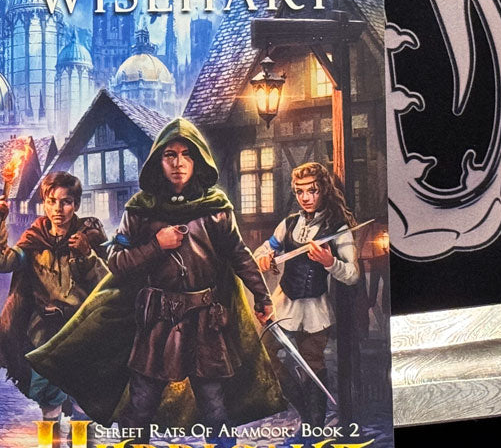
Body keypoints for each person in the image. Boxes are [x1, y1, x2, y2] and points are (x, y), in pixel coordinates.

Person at [28, 119, 285, 428]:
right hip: (157, 321)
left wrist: (262, 296)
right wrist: (156, 246)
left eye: (186, 154)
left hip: (204, 320)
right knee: (140, 406)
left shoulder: (215, 207)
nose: (178, 163)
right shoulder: (141, 209)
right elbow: (117, 262)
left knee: (214, 407)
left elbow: (239, 254)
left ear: (197, 159)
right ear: (158, 160)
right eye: (170, 155)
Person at [0, 171, 107, 438]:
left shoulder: (89, 236)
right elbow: (3, 262)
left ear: (76, 204)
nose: (58, 209)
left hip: (81, 332)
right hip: (45, 333)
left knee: (82, 403)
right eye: (52, 201)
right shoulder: (34, 240)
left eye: (66, 202)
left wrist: (87, 254)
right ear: (44, 203)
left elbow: (105, 283)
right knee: (49, 403)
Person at [254, 161, 360, 426]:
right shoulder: (289, 224)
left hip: (315, 308)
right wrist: (264, 257)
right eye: (300, 191)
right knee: (265, 356)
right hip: (284, 304)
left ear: (323, 190)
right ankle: (303, 411)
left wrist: (329, 262)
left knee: (312, 365)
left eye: (312, 191)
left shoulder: (338, 229)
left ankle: (314, 425)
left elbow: (352, 274)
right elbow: (264, 250)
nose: (306, 197)